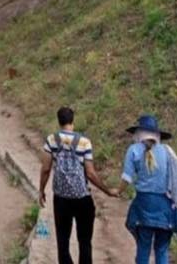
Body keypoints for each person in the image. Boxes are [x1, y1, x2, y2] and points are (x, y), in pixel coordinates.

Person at [39, 106, 118, 264]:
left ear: (59, 121)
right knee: (84, 241)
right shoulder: (84, 142)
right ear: (72, 121)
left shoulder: (52, 140)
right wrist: (107, 191)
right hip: (82, 198)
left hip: (61, 199)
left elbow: (46, 168)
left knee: (63, 242)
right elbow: (90, 173)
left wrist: (41, 190)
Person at [117, 114, 177, 264]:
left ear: (138, 133)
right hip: (166, 207)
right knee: (162, 250)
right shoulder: (168, 151)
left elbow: (127, 178)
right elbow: (176, 181)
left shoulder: (133, 150)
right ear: (157, 134)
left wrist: (117, 191)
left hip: (144, 206)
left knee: (143, 247)